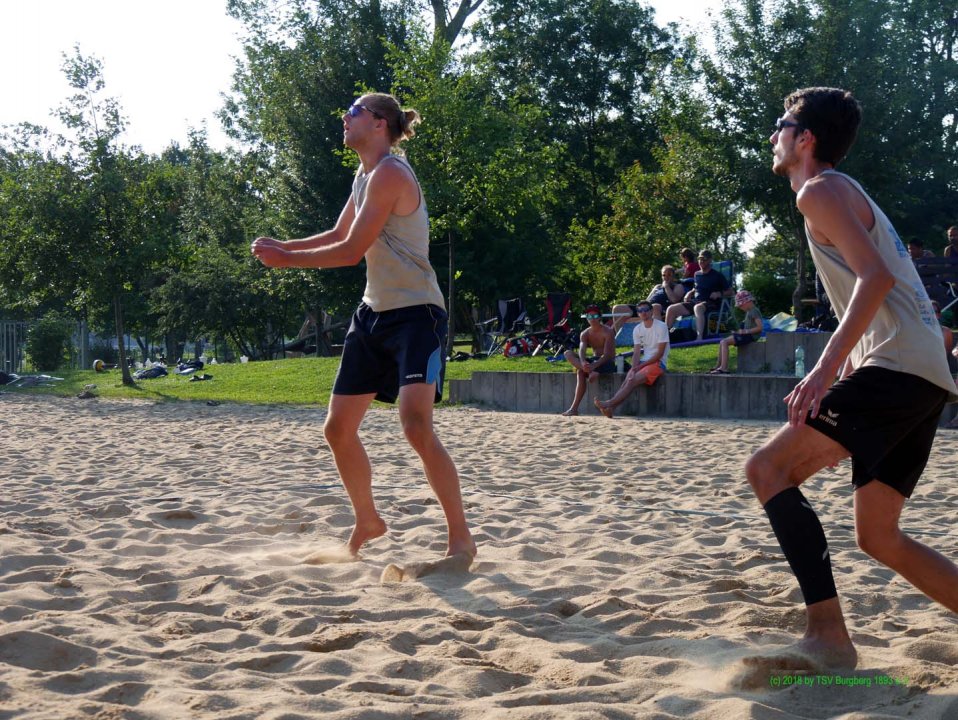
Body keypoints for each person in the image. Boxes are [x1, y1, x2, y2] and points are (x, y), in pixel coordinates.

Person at [744, 87, 958, 673]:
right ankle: (828, 635)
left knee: (767, 469)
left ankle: (828, 637)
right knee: (879, 537)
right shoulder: (841, 191)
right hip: (923, 374)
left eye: (779, 125)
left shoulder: (820, 190)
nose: (772, 136)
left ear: (804, 137)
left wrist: (825, 367)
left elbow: (876, 279)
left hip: (897, 368)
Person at [251, 92, 476, 563]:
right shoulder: (365, 174)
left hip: (417, 315)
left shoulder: (392, 172)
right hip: (374, 314)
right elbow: (338, 234)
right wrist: (285, 245)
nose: (343, 118)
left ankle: (460, 538)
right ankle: (368, 519)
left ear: (378, 123)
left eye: (351, 111)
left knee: (415, 426)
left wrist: (285, 261)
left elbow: (351, 251)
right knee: (337, 430)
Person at [594, 300, 668, 418]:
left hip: (658, 363)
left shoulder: (661, 326)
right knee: (628, 380)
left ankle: (608, 403)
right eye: (640, 311)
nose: (643, 313)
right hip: (644, 363)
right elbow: (637, 352)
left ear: (651, 312)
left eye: (646, 310)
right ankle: (611, 409)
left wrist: (639, 366)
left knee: (631, 381)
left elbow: (660, 354)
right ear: (637, 313)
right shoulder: (637, 329)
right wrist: (634, 368)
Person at [664, 249, 734, 341]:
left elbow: (731, 292)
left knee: (697, 307)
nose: (701, 261)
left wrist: (719, 293)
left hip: (710, 302)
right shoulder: (697, 274)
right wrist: (690, 292)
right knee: (671, 309)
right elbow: (696, 287)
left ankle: (699, 337)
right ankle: (664, 338)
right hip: (695, 301)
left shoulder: (717, 275)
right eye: (699, 259)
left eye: (704, 259)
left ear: (709, 260)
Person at [562, 304, 616, 416]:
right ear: (586, 318)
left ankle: (574, 408)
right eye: (589, 316)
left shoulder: (608, 331)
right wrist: (584, 363)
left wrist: (594, 365)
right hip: (593, 363)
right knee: (568, 353)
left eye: (595, 316)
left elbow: (607, 355)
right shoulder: (585, 333)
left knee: (580, 371)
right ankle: (574, 409)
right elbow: (582, 350)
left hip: (607, 362)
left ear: (600, 317)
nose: (592, 319)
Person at [611, 265, 685, 332]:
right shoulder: (657, 287)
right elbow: (647, 300)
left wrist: (666, 286)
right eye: (664, 275)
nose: (666, 277)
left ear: (673, 276)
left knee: (655, 306)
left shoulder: (678, 286)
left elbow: (674, 300)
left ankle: (658, 336)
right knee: (617, 308)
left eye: (669, 275)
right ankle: (620, 338)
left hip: (660, 309)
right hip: (646, 308)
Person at [710, 290, 762, 374]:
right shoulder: (750, 311)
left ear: (747, 301)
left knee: (724, 342)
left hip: (751, 336)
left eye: (741, 305)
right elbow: (747, 324)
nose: (740, 308)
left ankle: (724, 368)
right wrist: (738, 330)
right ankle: (718, 366)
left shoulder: (754, 311)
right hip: (747, 334)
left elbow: (759, 328)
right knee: (722, 342)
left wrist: (745, 331)